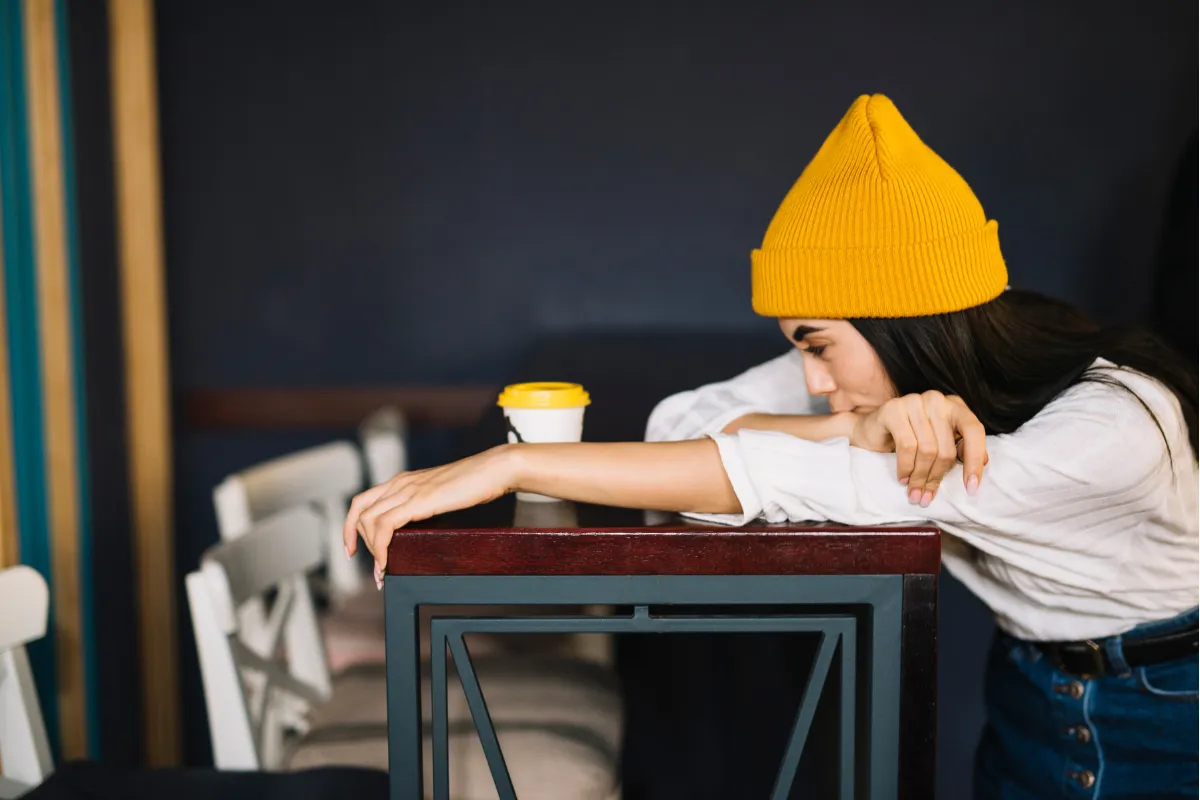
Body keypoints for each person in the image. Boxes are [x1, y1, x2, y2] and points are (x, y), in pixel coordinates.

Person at [345, 94, 1199, 799]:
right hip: (1031, 696)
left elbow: (762, 469)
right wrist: (847, 426)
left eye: (818, 345)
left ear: (903, 320)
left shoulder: (1118, 425)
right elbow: (679, 430)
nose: (813, 378)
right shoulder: (878, 385)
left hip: (1167, 712)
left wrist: (511, 461)